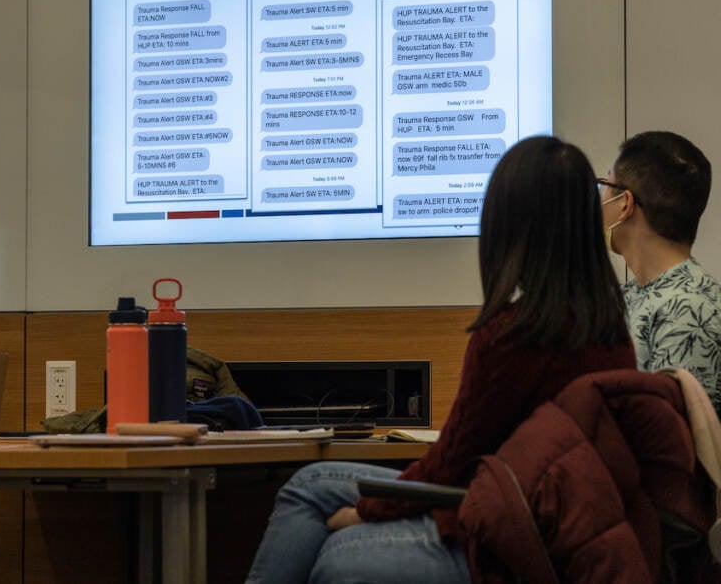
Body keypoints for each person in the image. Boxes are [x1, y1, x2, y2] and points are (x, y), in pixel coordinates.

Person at [245, 136, 636, 584]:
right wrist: (371, 510)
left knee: (340, 554)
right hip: (545, 513)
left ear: (508, 225)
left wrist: (366, 514)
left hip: (514, 531)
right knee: (310, 485)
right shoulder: (609, 331)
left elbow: (454, 465)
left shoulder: (515, 334)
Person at [599, 130, 721, 413]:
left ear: (625, 204)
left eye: (605, 183)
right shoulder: (629, 294)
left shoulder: (691, 311)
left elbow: (673, 442)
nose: (599, 198)